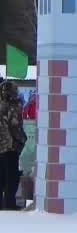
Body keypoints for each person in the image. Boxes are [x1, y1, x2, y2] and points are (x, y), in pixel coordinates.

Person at [0, 81, 25, 210]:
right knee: (11, 179)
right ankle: (9, 205)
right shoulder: (11, 106)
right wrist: (23, 139)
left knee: (1, 178)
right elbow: (15, 127)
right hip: (10, 147)